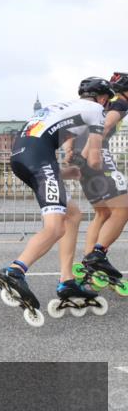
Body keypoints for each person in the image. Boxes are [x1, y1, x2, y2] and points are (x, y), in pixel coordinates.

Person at [0, 77, 111, 321]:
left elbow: (68, 158)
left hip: (23, 157)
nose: (106, 106)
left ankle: (67, 280)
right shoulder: (97, 110)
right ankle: (15, 271)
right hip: (38, 158)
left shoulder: (65, 106)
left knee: (72, 214)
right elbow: (95, 159)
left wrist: (75, 168)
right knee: (55, 228)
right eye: (106, 101)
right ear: (101, 98)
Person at [71, 72, 128, 288]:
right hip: (97, 158)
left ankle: (89, 261)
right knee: (123, 210)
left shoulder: (97, 104)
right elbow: (102, 129)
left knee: (103, 213)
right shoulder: (121, 103)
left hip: (83, 160)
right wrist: (86, 154)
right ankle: (97, 255)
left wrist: (75, 157)